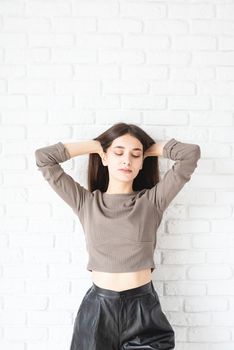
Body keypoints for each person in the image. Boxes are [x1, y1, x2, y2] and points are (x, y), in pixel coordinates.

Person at [34, 122, 201, 350]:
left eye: (135, 155)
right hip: (97, 312)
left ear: (142, 162)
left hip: (143, 312)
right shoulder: (86, 203)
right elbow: (44, 158)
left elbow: (189, 154)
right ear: (105, 158)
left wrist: (148, 149)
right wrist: (95, 146)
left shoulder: (151, 202)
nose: (126, 160)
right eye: (118, 152)